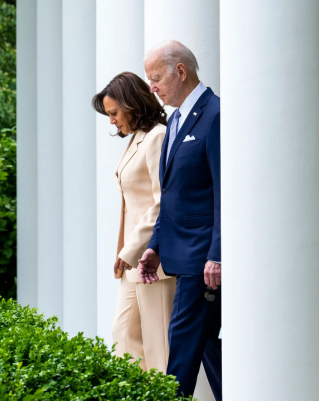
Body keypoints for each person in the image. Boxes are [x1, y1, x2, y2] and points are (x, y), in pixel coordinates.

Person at [138, 40, 222, 400]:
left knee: (182, 347)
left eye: (156, 79)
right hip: (179, 254)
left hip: (201, 260)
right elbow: (172, 195)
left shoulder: (215, 114)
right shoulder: (173, 121)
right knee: (210, 349)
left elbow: (224, 192)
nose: (152, 88)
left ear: (181, 72)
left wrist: (217, 254)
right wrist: (155, 245)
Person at [92, 72, 177, 373]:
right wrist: (125, 253)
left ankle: (165, 393)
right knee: (123, 335)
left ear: (131, 104)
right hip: (133, 262)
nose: (112, 121)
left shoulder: (157, 137)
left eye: (114, 113)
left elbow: (161, 202)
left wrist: (130, 250)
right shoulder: (137, 139)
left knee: (159, 346)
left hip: (154, 259)